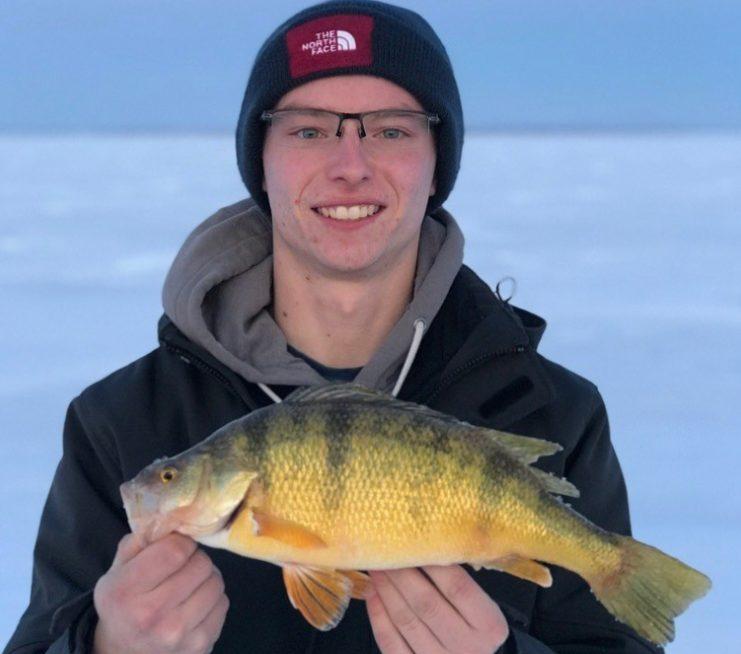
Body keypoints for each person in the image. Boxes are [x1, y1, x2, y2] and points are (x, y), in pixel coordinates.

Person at [4, 2, 662, 653]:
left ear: (437, 163)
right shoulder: (119, 423)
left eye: (391, 131)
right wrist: (104, 647)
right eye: (309, 131)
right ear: (261, 161)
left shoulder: (553, 413)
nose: (350, 166)